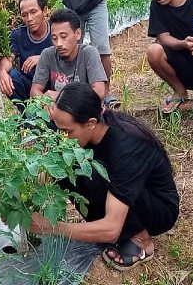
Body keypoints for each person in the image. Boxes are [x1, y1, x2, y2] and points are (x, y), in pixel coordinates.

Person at [30, 82, 179, 271]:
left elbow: (110, 229)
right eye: (60, 129)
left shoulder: (126, 146)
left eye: (67, 131)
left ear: (91, 123)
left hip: (158, 209)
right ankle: (107, 228)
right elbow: (49, 171)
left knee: (92, 169)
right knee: (65, 167)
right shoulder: (90, 133)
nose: (62, 137)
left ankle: (141, 240)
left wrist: (49, 227)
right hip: (126, 194)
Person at [30, 9, 107, 102]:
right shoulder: (47, 54)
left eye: (63, 36)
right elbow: (34, 91)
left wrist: (60, 96)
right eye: (54, 38)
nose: (59, 43)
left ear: (78, 34)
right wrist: (45, 104)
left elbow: (99, 92)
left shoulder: (89, 53)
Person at [0, 0, 53, 113]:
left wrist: (43, 58)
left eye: (33, 12)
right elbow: (8, 58)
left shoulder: (56, 32)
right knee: (10, 76)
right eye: (24, 15)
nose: (29, 19)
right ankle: (26, 115)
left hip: (54, 87)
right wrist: (1, 72)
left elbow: (67, 55)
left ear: (44, 11)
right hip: (28, 86)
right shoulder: (18, 35)